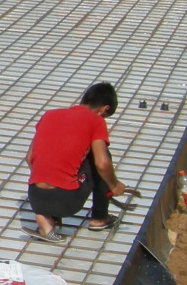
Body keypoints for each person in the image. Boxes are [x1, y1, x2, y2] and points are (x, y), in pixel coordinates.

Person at [25, 82, 130, 243]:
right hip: (66, 202)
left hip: (35, 197)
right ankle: (100, 218)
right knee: (100, 156)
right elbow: (102, 164)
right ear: (104, 109)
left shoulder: (49, 114)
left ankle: (47, 219)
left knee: (54, 155)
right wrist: (114, 185)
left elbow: (29, 157)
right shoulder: (96, 121)